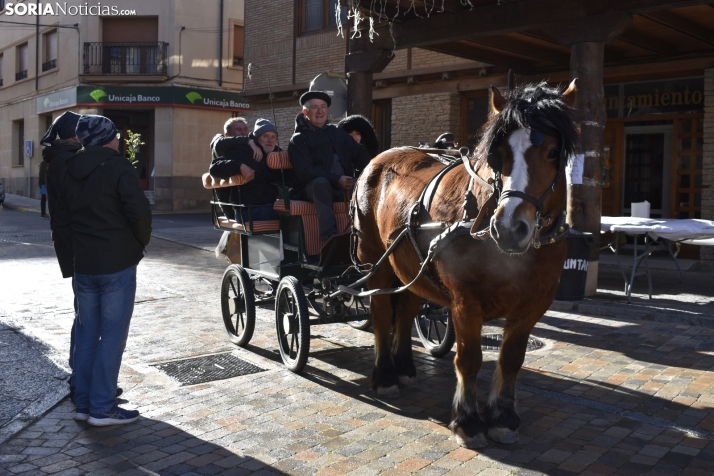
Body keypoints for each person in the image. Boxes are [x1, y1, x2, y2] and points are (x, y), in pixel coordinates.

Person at [57, 114, 151, 426]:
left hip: (85, 264)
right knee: (112, 336)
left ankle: (84, 404)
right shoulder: (118, 165)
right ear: (108, 137)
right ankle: (102, 406)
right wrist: (138, 244)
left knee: (86, 335)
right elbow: (139, 213)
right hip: (116, 262)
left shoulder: (68, 169)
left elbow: (63, 220)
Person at [288, 91, 371, 242]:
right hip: (311, 190)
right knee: (321, 183)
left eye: (323, 107)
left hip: (341, 187)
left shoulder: (337, 132)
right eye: (314, 107)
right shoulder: (299, 139)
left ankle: (366, 235)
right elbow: (304, 172)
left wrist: (370, 173)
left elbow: (359, 152)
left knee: (363, 186)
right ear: (305, 112)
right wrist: (336, 179)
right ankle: (329, 237)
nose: (320, 111)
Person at [210, 118, 281, 222]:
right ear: (257, 138)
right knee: (289, 215)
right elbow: (214, 168)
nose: (270, 140)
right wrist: (239, 166)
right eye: (265, 136)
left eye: (273, 137)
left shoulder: (276, 153)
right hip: (248, 210)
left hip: (268, 205)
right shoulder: (243, 151)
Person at [209, 117, 260, 219]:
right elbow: (218, 143)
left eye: (245, 129)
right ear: (227, 135)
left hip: (248, 202)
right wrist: (248, 141)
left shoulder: (247, 145)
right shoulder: (220, 143)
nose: (244, 133)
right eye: (238, 130)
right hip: (230, 203)